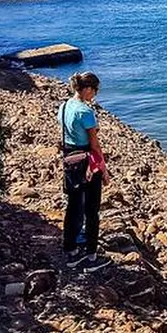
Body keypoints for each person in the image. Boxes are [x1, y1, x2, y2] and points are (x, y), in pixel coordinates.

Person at [61, 72, 111, 272]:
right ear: (88, 89)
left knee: (73, 206)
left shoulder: (64, 106)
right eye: (95, 91)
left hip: (70, 161)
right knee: (92, 210)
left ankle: (70, 249)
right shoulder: (85, 112)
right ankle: (91, 255)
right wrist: (104, 169)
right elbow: (95, 145)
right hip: (87, 164)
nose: (95, 95)